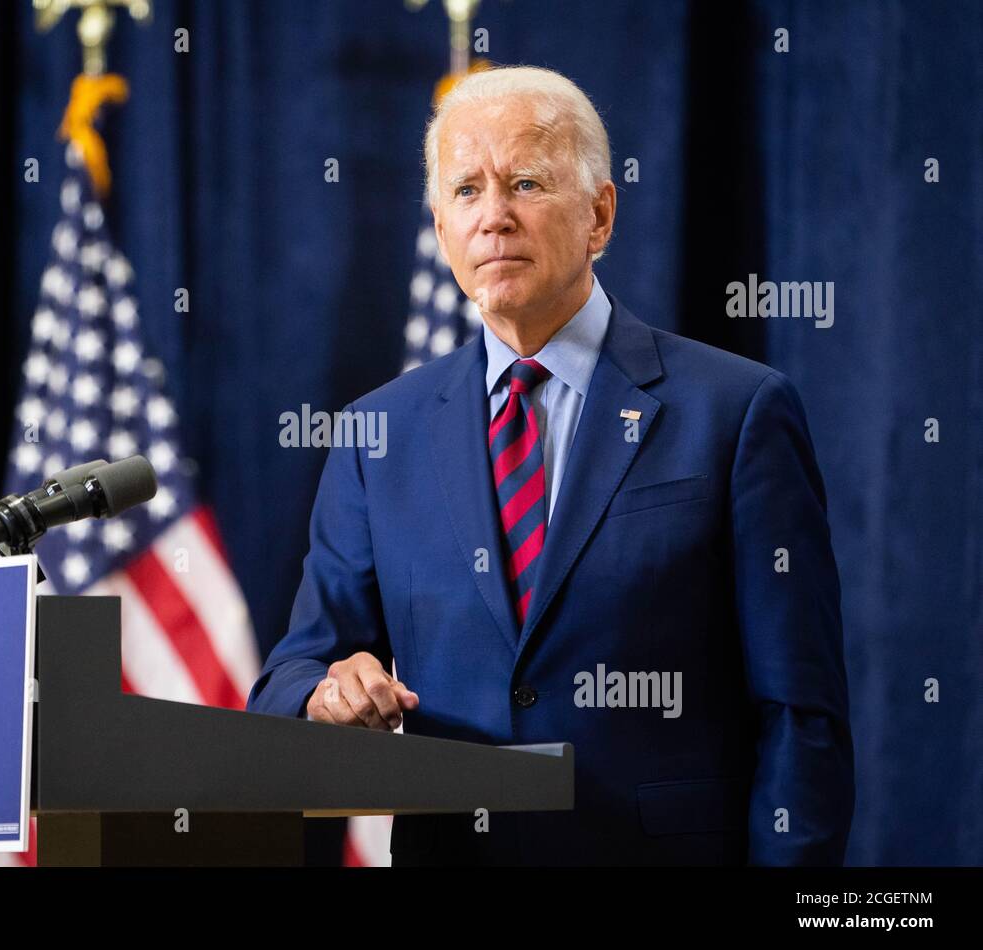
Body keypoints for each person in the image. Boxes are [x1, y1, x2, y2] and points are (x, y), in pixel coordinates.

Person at [246, 65, 854, 865]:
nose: (493, 217)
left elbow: (798, 711)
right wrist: (330, 691)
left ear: (599, 214)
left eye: (525, 182)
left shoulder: (736, 412)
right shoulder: (375, 434)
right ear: (439, 228)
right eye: (465, 191)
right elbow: (293, 670)